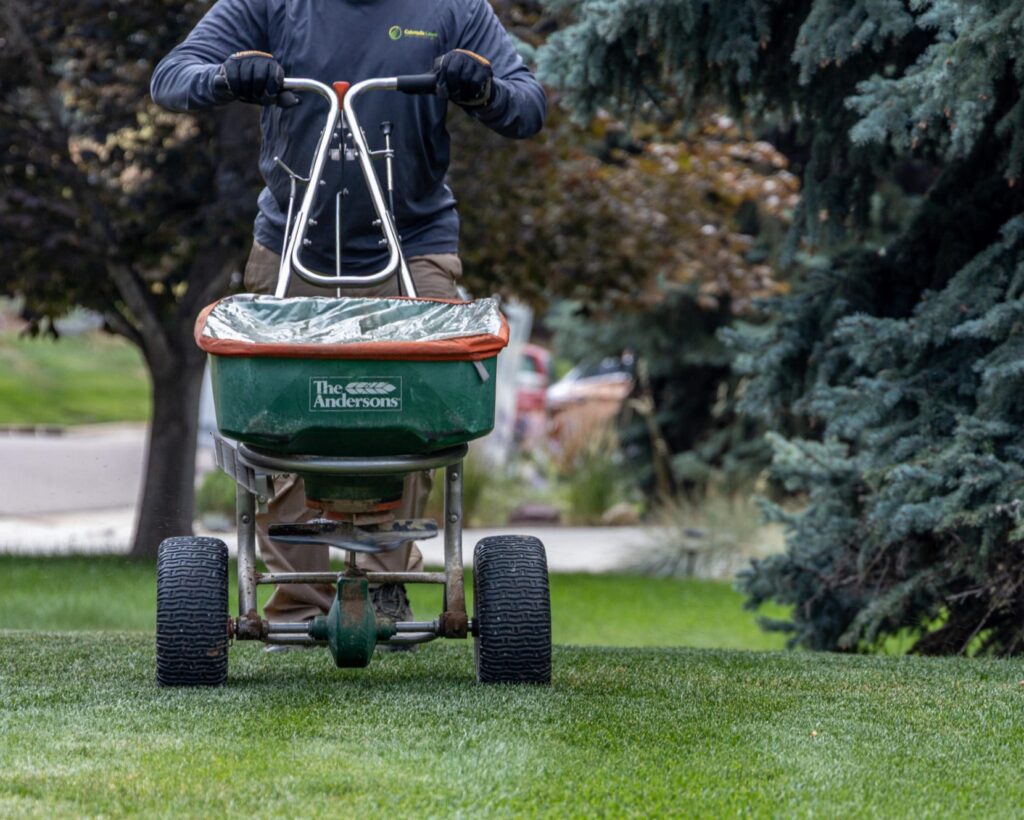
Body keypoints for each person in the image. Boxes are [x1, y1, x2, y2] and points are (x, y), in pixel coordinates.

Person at [151, 0, 545, 631]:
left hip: (412, 245)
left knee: (415, 418)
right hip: (294, 245)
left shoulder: (452, 7)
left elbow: (527, 106)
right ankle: (295, 603)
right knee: (280, 427)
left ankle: (388, 586)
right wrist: (229, 76)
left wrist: (484, 89)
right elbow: (172, 77)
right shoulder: (272, 4)